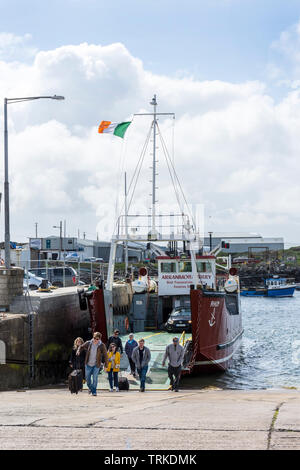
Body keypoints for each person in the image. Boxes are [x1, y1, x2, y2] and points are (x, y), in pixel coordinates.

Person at [77, 332, 108, 396]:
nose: (95, 340)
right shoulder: (89, 343)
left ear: (99, 339)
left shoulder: (101, 345)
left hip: (96, 365)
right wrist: (78, 350)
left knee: (95, 378)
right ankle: (91, 388)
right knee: (87, 379)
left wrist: (106, 365)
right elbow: (81, 346)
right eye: (94, 338)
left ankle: (94, 391)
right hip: (88, 364)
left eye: (97, 339)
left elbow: (105, 355)